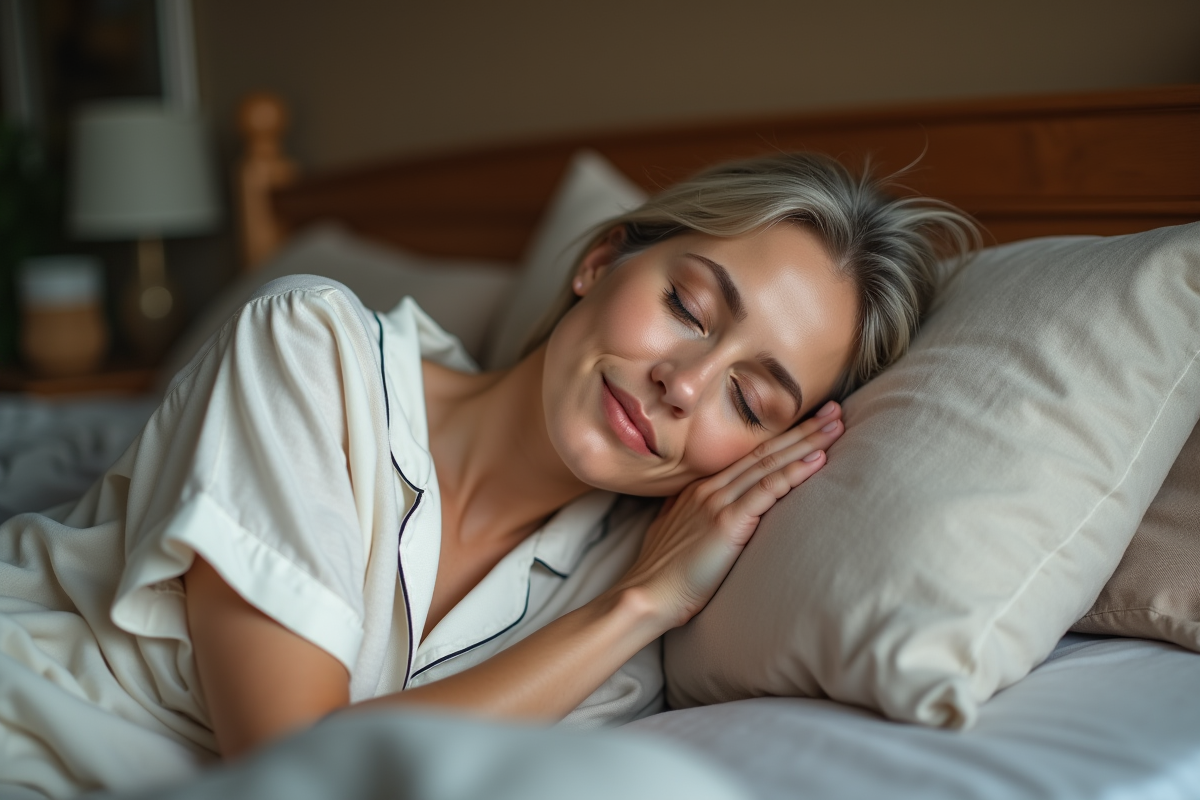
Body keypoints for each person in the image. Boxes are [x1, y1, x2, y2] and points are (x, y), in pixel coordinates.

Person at [0, 153, 976, 796]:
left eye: (751, 401)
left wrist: (636, 609)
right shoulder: (307, 348)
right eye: (687, 306)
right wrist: (633, 609)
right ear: (601, 260)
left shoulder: (619, 625)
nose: (683, 384)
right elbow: (293, 767)